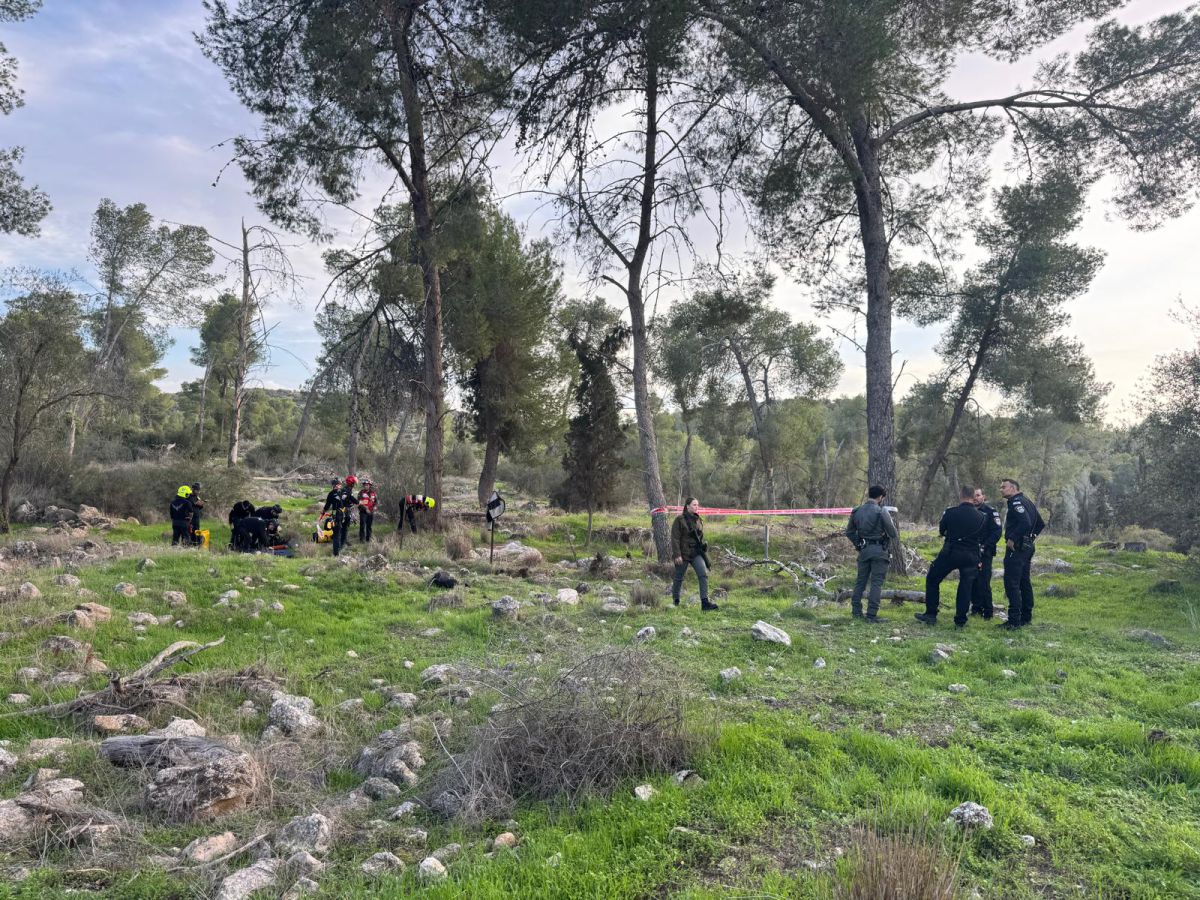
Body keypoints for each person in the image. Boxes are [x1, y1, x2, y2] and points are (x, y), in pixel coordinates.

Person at [916, 485, 986, 629]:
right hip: (971, 555)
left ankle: (931, 614)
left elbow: (942, 530)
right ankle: (960, 620)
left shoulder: (951, 512)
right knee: (965, 587)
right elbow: (982, 536)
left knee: (933, 579)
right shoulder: (982, 517)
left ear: (961, 495)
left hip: (951, 553)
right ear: (973, 496)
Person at [845, 484, 900, 622]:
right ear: (881, 497)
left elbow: (849, 532)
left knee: (860, 582)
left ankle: (856, 612)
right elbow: (893, 534)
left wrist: (859, 543)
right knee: (876, 583)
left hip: (864, 551)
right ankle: (871, 615)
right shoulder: (882, 512)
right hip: (879, 551)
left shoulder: (856, 511)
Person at [998, 478, 1046, 630]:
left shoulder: (1016, 502)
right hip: (1027, 547)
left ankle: (1014, 620)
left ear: (1013, 488)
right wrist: (1030, 538)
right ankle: (1026, 616)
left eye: (1003, 487)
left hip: (1017, 548)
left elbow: (1025, 522)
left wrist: (1013, 538)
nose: (1001, 489)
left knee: (1012, 582)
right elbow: (1040, 524)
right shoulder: (1028, 502)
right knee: (1024, 581)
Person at [670, 497, 718, 611]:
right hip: (683, 553)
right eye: (694, 504)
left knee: (703, 574)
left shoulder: (698, 520)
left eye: (698, 505)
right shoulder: (679, 520)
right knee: (679, 577)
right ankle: (675, 600)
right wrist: (677, 555)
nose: (697, 507)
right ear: (687, 506)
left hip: (696, 552)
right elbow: (675, 538)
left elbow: (700, 537)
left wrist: (703, 547)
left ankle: (705, 603)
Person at [970, 487, 1003, 618]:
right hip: (970, 552)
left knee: (984, 581)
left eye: (978, 495)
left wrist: (984, 546)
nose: (975, 498)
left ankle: (988, 611)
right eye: (973, 496)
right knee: (972, 581)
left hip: (985, 552)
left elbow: (997, 532)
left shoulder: (991, 512)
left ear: (983, 496)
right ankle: (975, 609)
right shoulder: (968, 511)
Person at [322, 476, 357, 556]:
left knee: (340, 532)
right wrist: (323, 512)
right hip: (341, 515)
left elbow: (327, 505)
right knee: (341, 531)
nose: (340, 485)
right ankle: (339, 550)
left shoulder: (336, 493)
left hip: (341, 515)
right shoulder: (340, 492)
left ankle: (338, 550)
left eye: (340, 484)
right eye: (339, 484)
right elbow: (327, 505)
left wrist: (323, 512)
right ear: (336, 485)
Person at [358, 479, 378, 543]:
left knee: (369, 526)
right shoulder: (361, 493)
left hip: (371, 511)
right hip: (363, 512)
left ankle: (368, 539)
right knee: (362, 525)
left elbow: (376, 501)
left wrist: (375, 506)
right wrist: (366, 509)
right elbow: (359, 502)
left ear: (370, 486)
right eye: (365, 485)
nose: (366, 486)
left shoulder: (373, 493)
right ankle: (362, 539)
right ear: (363, 486)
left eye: (367, 485)